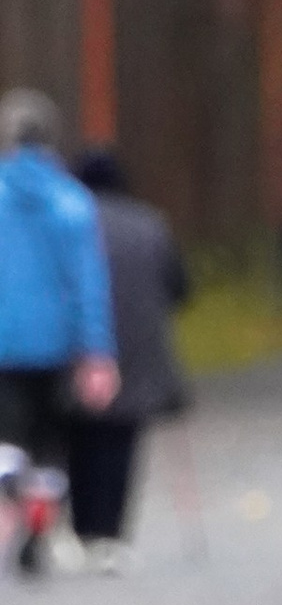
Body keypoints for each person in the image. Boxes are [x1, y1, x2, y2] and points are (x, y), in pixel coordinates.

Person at [0, 88, 118, 572]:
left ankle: (8, 502)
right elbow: (89, 284)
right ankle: (39, 529)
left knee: (7, 438)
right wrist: (97, 351)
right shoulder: (73, 203)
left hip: (3, 345)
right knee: (50, 442)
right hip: (55, 345)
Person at [64, 153, 188, 565]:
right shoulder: (151, 224)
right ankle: (110, 535)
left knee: (79, 438)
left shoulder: (70, 222)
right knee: (121, 443)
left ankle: (80, 527)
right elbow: (179, 287)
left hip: (79, 350)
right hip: (138, 349)